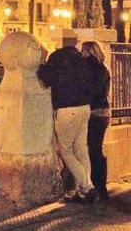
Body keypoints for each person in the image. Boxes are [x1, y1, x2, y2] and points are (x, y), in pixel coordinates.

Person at [37, 30, 96, 205]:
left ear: (60, 42)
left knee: (65, 151)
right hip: (84, 108)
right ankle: (83, 192)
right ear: (75, 42)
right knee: (81, 149)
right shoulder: (83, 59)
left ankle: (87, 186)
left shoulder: (56, 57)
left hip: (66, 109)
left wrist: (41, 62)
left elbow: (46, 81)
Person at [82, 41, 110, 202]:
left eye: (84, 51)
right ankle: (98, 186)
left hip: (97, 113)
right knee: (94, 149)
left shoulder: (98, 70)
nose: (81, 54)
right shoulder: (102, 68)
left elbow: (93, 91)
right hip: (100, 113)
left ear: (91, 51)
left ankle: (99, 187)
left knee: (94, 149)